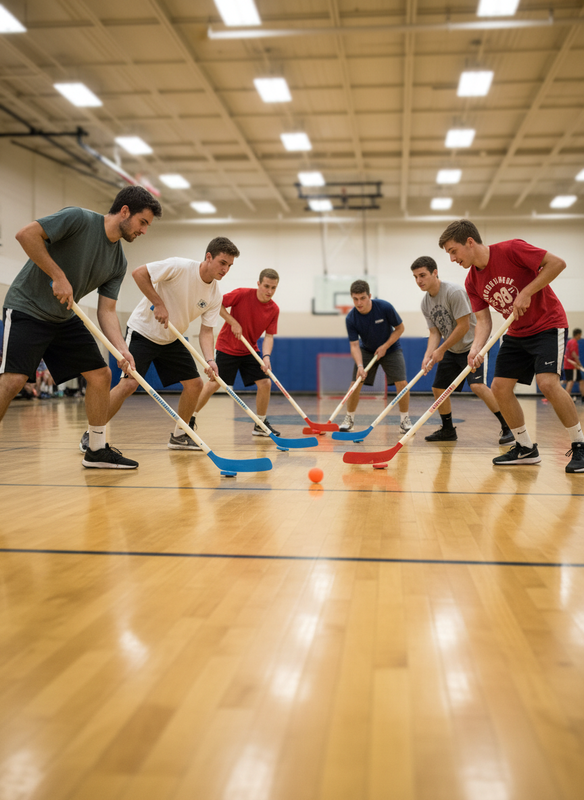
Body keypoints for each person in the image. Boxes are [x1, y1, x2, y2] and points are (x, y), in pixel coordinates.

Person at [0, 185, 162, 469]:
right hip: (28, 307)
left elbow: (107, 310)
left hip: (63, 317)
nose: (144, 230)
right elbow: (25, 235)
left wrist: (121, 349)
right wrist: (58, 275)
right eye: (142, 222)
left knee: (101, 375)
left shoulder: (118, 261)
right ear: (125, 211)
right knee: (14, 380)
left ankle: (96, 450)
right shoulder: (79, 218)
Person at [438, 219, 584, 473]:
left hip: (547, 325)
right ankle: (525, 447)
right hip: (516, 332)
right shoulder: (472, 282)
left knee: (547, 383)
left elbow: (557, 263)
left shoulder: (511, 249)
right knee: (499, 388)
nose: (452, 259)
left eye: (453, 251)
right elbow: (484, 321)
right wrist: (476, 348)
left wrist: (526, 292)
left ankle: (580, 445)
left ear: (469, 242)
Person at [79, 237, 240, 452]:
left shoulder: (215, 294)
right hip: (143, 332)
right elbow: (139, 273)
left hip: (172, 338)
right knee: (129, 384)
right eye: (223, 263)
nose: (226, 269)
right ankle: (92, 434)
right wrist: (158, 303)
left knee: (195, 384)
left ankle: (180, 436)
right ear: (209, 257)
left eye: (230, 265)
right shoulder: (180, 266)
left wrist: (210, 360)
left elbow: (206, 331)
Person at [411, 256, 513, 444]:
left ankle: (509, 426)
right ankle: (448, 430)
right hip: (452, 349)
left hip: (473, 346)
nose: (419, 281)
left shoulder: (454, 292)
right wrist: (428, 355)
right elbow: (434, 333)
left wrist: (441, 350)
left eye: (422, 275)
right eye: (415, 277)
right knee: (438, 388)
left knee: (477, 386)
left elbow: (463, 326)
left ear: (435, 273)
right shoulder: (425, 303)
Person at [193, 269, 281, 436]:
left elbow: (269, 336)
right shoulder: (242, 294)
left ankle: (260, 423)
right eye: (266, 286)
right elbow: (217, 304)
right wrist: (233, 321)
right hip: (228, 347)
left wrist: (266, 357)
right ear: (258, 284)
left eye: (273, 288)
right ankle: (190, 417)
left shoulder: (274, 309)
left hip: (249, 349)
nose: (269, 291)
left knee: (265, 383)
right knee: (214, 383)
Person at [339, 279, 412, 433]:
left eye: (362, 298)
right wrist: (360, 365)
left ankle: (405, 421)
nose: (359, 303)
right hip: (367, 350)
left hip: (391, 349)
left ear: (369, 296)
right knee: (355, 384)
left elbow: (400, 328)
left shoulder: (384, 307)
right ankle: (349, 420)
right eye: (355, 299)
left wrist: (385, 346)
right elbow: (354, 345)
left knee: (402, 383)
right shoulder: (351, 318)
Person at [564, 328, 584, 403]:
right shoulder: (573, 342)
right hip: (572, 366)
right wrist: (578, 364)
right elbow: (573, 354)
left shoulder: (569, 341)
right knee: (570, 381)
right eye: (580, 335)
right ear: (578, 334)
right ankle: (566, 399)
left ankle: (583, 397)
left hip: (568, 365)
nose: (580, 336)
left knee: (581, 381)